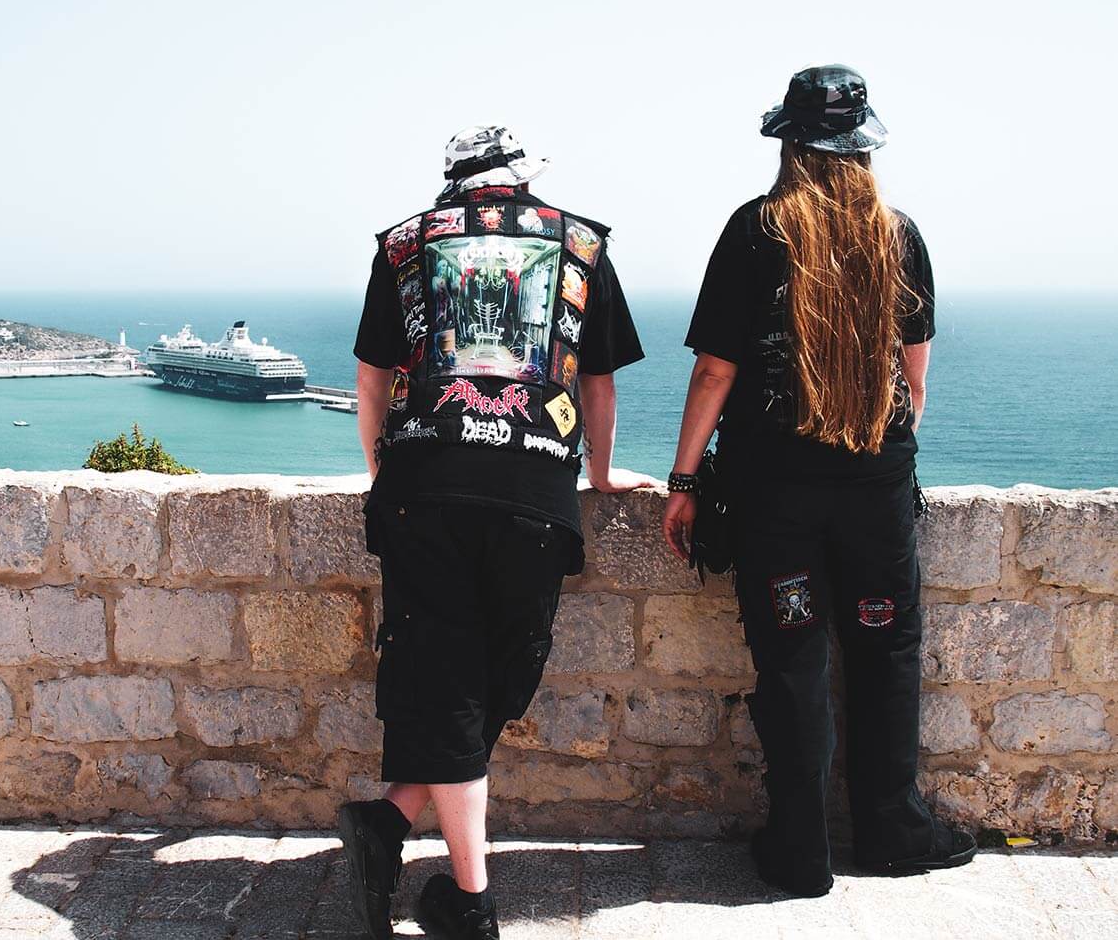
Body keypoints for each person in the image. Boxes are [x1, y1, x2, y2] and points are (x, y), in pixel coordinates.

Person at [661, 66, 976, 897]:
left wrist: (684, 476)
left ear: (790, 145)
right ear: (863, 146)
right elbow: (915, 381)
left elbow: (713, 373)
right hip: (876, 488)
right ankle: (894, 829)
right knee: (885, 646)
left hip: (777, 497)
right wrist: (881, 454)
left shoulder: (755, 230)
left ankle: (800, 853)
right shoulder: (899, 234)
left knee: (793, 654)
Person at [342, 124, 651, 940]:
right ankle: (469, 902)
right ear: (521, 184)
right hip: (533, 492)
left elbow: (372, 380)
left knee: (458, 681)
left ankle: (391, 820)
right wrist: (603, 473)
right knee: (496, 673)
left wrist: (384, 471)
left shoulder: (406, 244)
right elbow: (598, 382)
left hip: (423, 488)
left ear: (458, 187)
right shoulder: (579, 243)